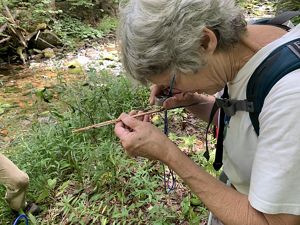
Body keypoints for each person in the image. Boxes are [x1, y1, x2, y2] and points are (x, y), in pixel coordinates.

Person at [114, 0, 300, 224]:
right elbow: (253, 119)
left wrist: (169, 154)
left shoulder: (291, 96)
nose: (173, 90)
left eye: (172, 83)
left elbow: (273, 222)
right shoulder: (246, 41)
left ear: (205, 41)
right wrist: (194, 102)